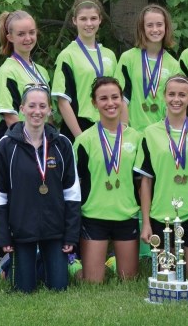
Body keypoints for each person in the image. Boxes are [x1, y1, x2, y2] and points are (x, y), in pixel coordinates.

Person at [0, 85, 81, 292]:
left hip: (55, 230)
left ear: (50, 110)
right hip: (22, 231)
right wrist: (3, 237)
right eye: (31, 106)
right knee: (24, 290)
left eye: (42, 106)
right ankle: (17, 265)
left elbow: (72, 193)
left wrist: (70, 236)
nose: (37, 111)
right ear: (22, 108)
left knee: (59, 287)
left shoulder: (62, 144)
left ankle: (43, 261)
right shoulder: (5, 146)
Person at [138, 76, 188, 276]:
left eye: (182, 94)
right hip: (161, 213)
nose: (176, 99)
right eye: (171, 94)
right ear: (164, 97)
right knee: (167, 274)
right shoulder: (150, 133)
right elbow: (146, 181)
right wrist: (146, 222)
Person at [73, 77, 143, 282]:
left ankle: (111, 261)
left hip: (126, 214)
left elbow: (141, 182)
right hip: (94, 215)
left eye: (115, 97)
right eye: (103, 98)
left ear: (122, 100)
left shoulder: (136, 138)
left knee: (129, 280)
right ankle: (74, 267)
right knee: (92, 282)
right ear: (95, 103)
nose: (110, 103)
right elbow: (75, 184)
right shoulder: (84, 140)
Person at [53, 0, 121, 141]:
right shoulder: (67, 55)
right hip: (79, 128)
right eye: (83, 19)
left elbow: (117, 97)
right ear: (74, 21)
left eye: (93, 18)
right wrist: (80, 137)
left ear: (100, 20)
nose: (89, 23)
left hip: (107, 125)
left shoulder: (109, 55)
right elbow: (63, 101)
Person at [119, 4, 181, 131]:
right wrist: (124, 131)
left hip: (161, 132)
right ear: (142, 28)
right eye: (149, 25)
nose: (155, 29)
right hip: (133, 130)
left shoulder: (174, 64)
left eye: (159, 24)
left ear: (166, 27)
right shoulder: (128, 58)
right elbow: (121, 98)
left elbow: (174, 103)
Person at [0, 10, 51, 138]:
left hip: (41, 143)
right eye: (21, 34)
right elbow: (10, 117)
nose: (28, 38)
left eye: (31, 32)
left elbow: (48, 114)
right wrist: (30, 145)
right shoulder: (7, 72)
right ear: (10, 37)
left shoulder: (43, 72)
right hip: (17, 145)